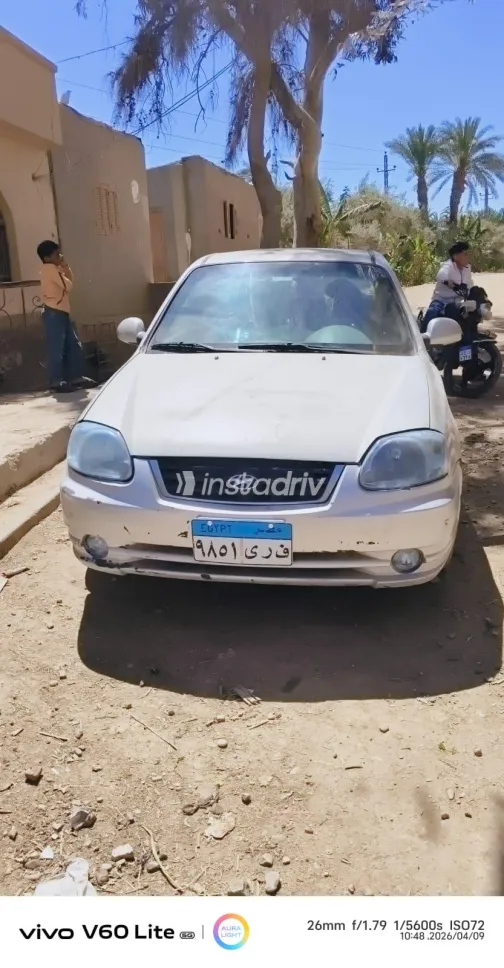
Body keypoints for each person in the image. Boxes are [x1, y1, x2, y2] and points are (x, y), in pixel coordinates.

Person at [37, 240, 92, 392]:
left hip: (61, 312)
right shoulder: (50, 269)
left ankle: (75, 377)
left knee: (73, 346)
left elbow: (69, 281)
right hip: (54, 313)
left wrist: (65, 266)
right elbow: (68, 285)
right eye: (56, 254)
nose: (60, 256)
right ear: (47, 257)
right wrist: (63, 267)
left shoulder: (54, 269)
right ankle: (55, 381)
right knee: (57, 349)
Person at [421, 241, 473, 329]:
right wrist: (453, 286)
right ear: (456, 256)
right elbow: (441, 276)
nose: (467, 256)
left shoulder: (467, 268)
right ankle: (422, 337)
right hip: (441, 300)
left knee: (468, 317)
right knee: (432, 312)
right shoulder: (448, 265)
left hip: (456, 302)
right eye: (465, 254)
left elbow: (469, 283)